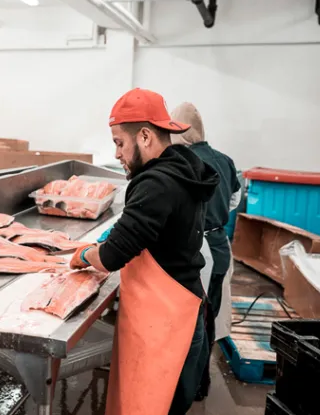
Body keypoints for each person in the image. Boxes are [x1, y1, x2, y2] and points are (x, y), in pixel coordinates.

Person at [70, 88, 219, 415]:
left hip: (166, 324)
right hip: (184, 308)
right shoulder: (182, 169)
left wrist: (83, 255)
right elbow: (149, 227)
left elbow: (111, 258)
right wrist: (120, 230)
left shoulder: (155, 184)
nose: (118, 153)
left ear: (147, 136)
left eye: (119, 143)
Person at [170, 102, 242, 399]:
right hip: (220, 245)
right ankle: (201, 383)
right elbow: (235, 199)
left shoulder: (182, 161)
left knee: (193, 319)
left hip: (198, 249)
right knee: (210, 314)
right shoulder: (224, 159)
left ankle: (187, 386)